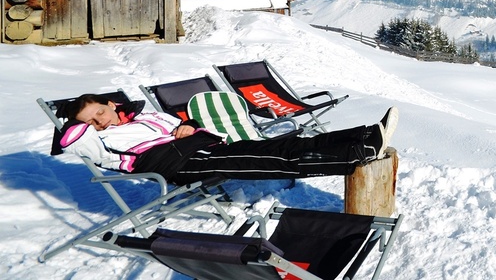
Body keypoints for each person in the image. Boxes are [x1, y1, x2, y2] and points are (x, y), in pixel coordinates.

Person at [59, 93, 397, 185]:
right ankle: (355, 155)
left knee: (279, 146)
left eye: (99, 114)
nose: (98, 123)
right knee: (271, 162)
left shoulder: (143, 116)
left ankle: (364, 135)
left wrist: (189, 125)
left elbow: (180, 122)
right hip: (177, 164)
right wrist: (80, 123)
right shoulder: (98, 140)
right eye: (90, 121)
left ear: (111, 104)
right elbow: (68, 141)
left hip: (202, 145)